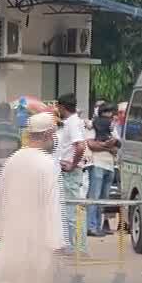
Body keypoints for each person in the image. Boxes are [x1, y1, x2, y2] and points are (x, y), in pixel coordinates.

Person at [0, 112, 64, 283]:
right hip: (38, 238)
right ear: (47, 135)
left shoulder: (13, 160)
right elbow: (52, 205)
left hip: (10, 236)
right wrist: (57, 242)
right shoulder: (47, 164)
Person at [54, 96, 89, 257]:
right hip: (69, 170)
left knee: (71, 211)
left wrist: (73, 164)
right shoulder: (74, 122)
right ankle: (75, 246)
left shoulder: (73, 123)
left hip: (70, 171)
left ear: (62, 107)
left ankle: (78, 248)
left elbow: (80, 146)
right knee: (70, 209)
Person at [86, 102, 119, 236]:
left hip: (110, 165)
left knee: (103, 198)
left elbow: (117, 147)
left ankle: (99, 226)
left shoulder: (112, 128)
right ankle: (91, 226)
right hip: (97, 163)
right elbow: (90, 144)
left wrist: (108, 146)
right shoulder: (93, 125)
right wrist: (107, 146)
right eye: (108, 112)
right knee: (94, 196)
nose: (110, 115)